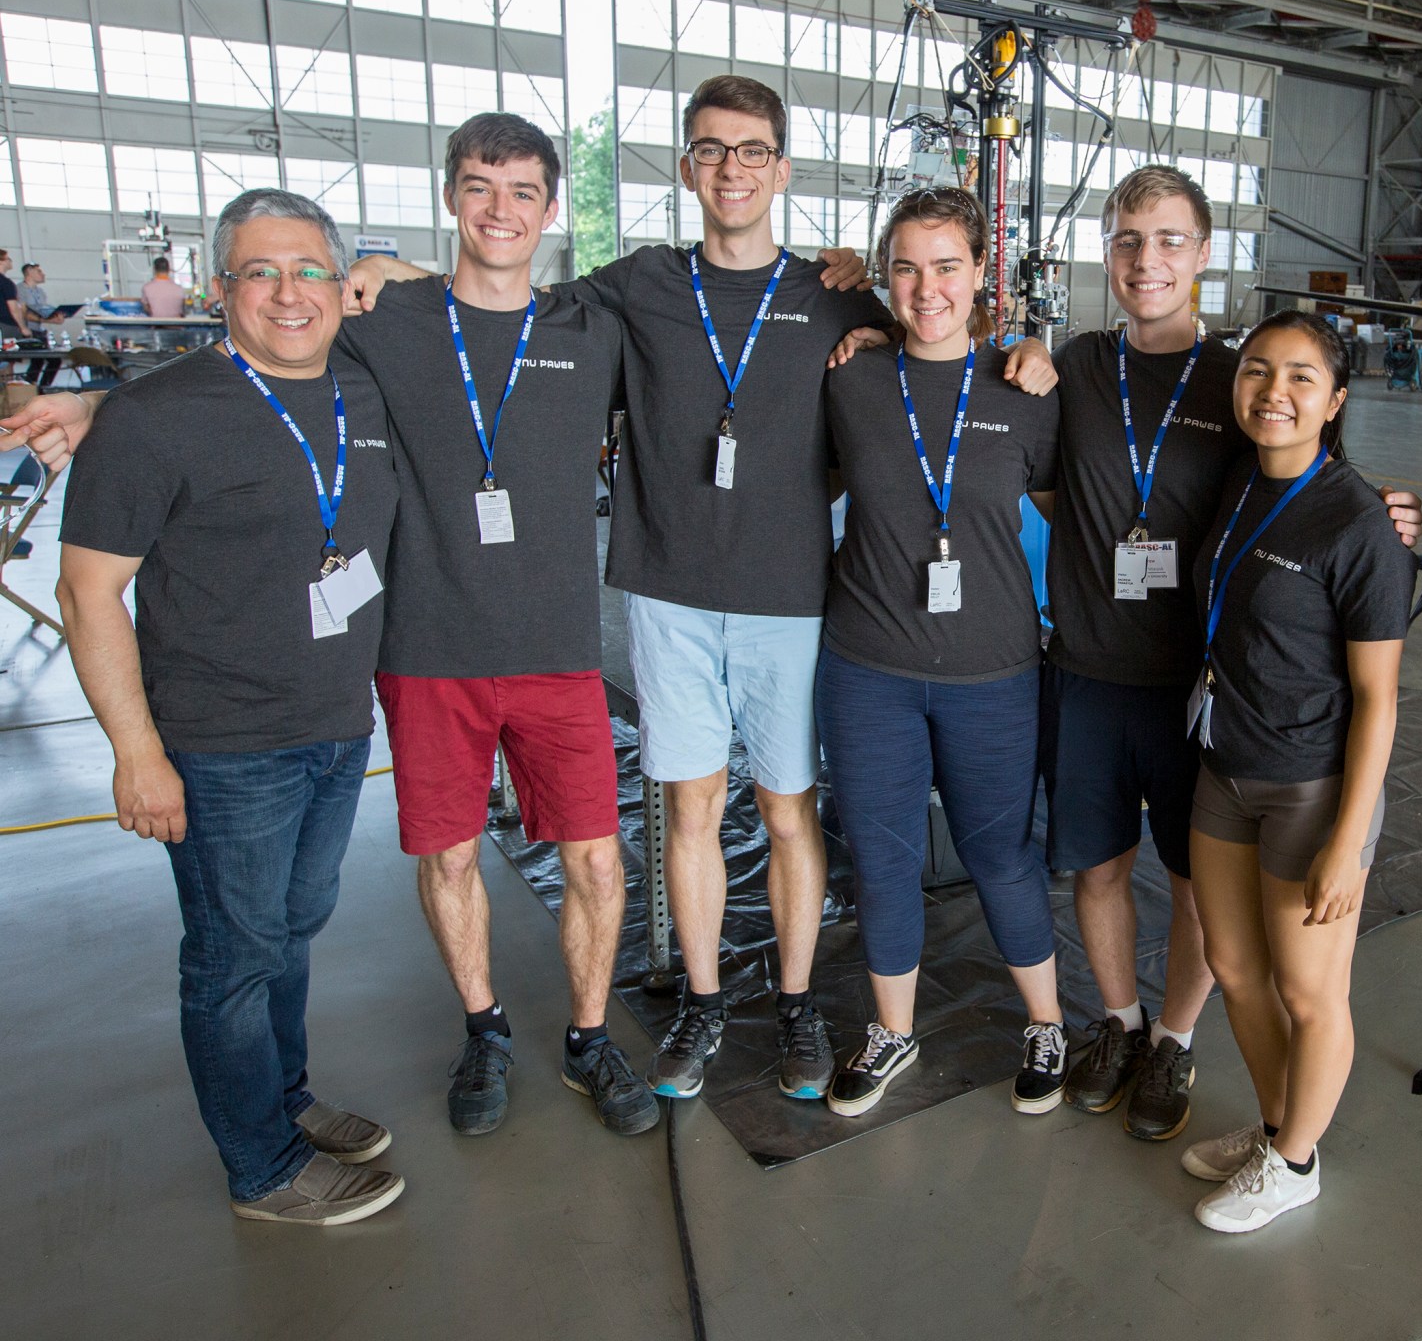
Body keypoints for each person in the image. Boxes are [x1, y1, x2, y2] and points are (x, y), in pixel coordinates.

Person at [346, 75, 1049, 1104]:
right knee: (689, 808)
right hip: (668, 593)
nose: (731, 168)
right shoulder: (634, 284)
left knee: (788, 810)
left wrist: (1022, 347)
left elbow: (934, 336)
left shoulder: (839, 294)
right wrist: (394, 273)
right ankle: (706, 1002)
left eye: (751, 150)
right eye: (711, 150)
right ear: (687, 167)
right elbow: (504, 299)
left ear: (781, 168)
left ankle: (800, 1006)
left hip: (792, 597)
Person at [1034, 165, 1422, 1143]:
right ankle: (1118, 1025)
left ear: (1201, 256)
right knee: (1100, 868)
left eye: (1167, 240)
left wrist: (1384, 510)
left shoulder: (1240, 375)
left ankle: (1173, 1037)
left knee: (1203, 890)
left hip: (1200, 690)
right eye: (1126, 240)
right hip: (1087, 668)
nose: (1145, 260)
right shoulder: (1075, 366)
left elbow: (1309, 480)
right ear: (1107, 255)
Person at [53, 189, 404, 1226]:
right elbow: (87, 593)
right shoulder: (155, 418)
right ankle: (260, 1166)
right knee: (232, 955)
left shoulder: (364, 391)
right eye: (261, 272)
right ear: (221, 292)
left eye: (308, 271)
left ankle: (283, 1101)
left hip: (336, 726)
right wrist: (135, 754)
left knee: (289, 931)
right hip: (217, 744)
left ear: (344, 286)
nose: (287, 293)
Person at [332, 113, 655, 1138]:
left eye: (521, 191)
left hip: (558, 651)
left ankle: (589, 1038)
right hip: (427, 648)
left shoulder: (590, 329)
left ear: (551, 208)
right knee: (451, 855)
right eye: (479, 186)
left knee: (597, 860)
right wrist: (88, 414)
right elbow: (264, 368)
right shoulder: (385, 316)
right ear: (449, 198)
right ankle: (484, 1029)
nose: (501, 209)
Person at [815, 187, 1068, 1118]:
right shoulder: (849, 378)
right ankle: (893, 1032)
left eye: (948, 266)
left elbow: (1090, 507)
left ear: (979, 278)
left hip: (992, 673)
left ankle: (1046, 1021)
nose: (928, 289)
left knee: (1001, 853)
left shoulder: (1027, 389)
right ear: (886, 279)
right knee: (880, 859)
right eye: (909, 268)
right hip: (867, 669)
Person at [1178, 311, 1408, 1234]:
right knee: (1234, 967)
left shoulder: (1358, 522)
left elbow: (1380, 698)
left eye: (1302, 378)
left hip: (1310, 787)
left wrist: (1348, 842)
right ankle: (1279, 1129)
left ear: (1336, 399)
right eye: (1258, 372)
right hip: (1224, 766)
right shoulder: (1239, 483)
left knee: (1310, 991)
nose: (1275, 391)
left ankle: (1298, 1163)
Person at [139, 255, 188, 322]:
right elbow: (184, 309)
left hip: (157, 327)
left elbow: (146, 308)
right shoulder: (179, 288)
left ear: (154, 269)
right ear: (169, 269)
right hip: (177, 327)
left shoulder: (147, 288)